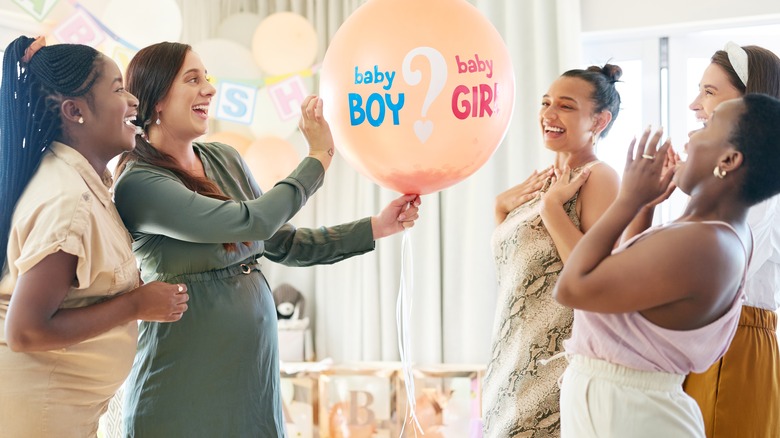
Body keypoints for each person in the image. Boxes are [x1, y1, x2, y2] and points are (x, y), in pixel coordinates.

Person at [111, 41, 421, 437]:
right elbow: (252, 222)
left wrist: (376, 226)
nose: (209, 88)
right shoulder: (140, 184)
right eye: (193, 79)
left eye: (207, 78)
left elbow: (282, 242)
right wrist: (318, 157)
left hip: (251, 382)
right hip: (182, 386)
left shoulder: (224, 158)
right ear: (155, 100)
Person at [554, 93, 780, 437]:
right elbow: (627, 282)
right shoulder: (716, 234)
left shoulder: (705, 244)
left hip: (632, 416)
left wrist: (628, 199)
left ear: (730, 159)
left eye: (706, 126)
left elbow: (573, 288)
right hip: (629, 408)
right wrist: (644, 208)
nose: (689, 137)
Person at [0, 36, 189, 437]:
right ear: (75, 111)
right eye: (118, 88)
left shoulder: (81, 184)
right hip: (40, 414)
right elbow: (25, 330)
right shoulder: (69, 201)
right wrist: (136, 304)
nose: (134, 100)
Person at [623, 42, 780, 437]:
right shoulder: (717, 190)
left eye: (709, 92)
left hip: (735, 345)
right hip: (699, 344)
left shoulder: (763, 191)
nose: (695, 105)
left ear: (750, 104)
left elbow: (703, 276)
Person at [483, 64, 623, 437]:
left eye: (565, 106)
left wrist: (549, 209)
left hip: (555, 366)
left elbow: (592, 280)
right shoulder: (546, 181)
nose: (548, 114)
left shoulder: (599, 178)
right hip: (510, 358)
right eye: (546, 103)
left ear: (600, 120)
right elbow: (516, 276)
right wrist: (501, 209)